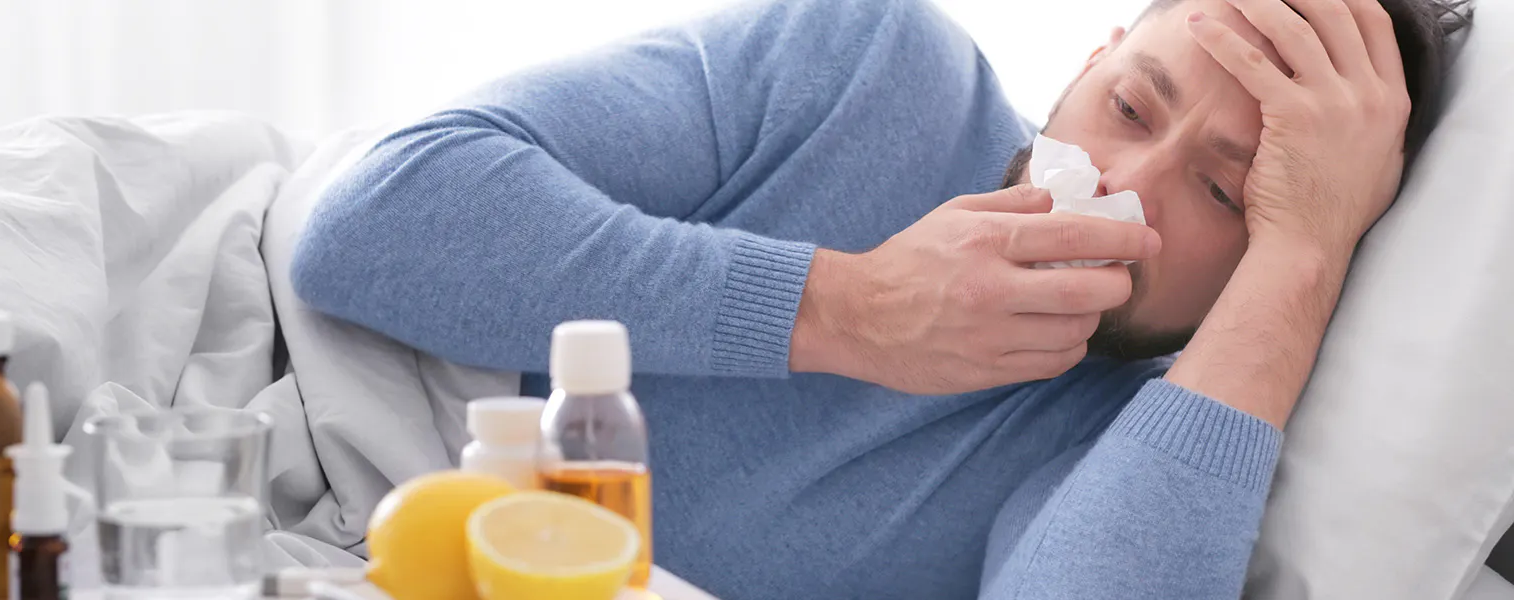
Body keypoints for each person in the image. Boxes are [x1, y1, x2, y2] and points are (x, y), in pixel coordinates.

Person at [290, 0, 1470, 596]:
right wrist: (844, 309)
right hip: (270, 336)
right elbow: (370, 222)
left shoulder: (1144, 450)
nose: (1122, 185)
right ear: (1096, 56)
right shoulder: (868, 61)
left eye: (1227, 189)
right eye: (1130, 104)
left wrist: (1305, 255)